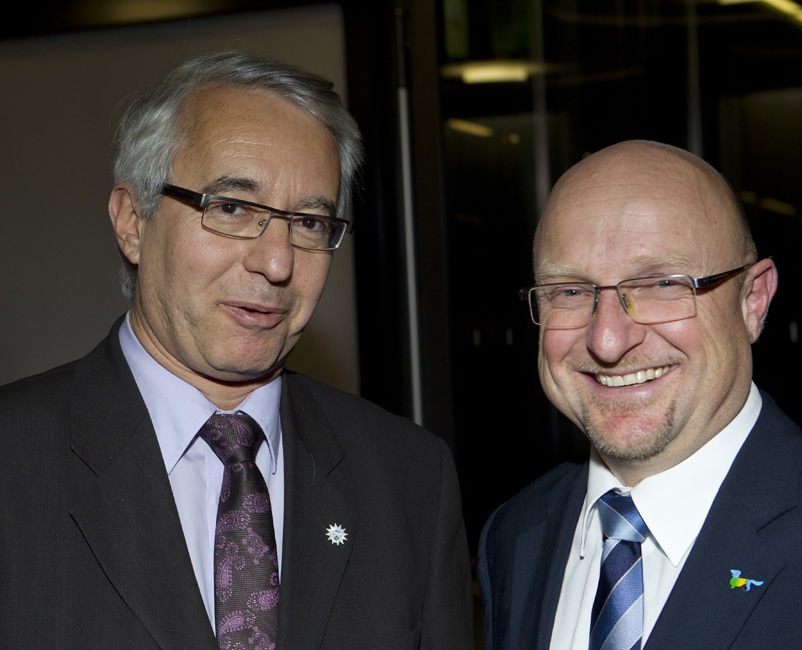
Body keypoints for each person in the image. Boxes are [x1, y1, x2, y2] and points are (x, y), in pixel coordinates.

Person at [0, 50, 472, 649]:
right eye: (231, 208)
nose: (277, 262)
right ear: (133, 222)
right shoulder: (14, 463)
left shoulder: (410, 479)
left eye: (309, 223)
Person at [477, 140, 802, 649]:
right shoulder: (515, 535)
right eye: (569, 291)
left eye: (661, 284)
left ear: (753, 300)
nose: (607, 340)